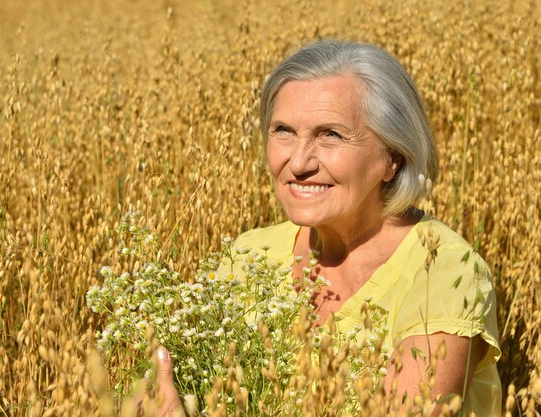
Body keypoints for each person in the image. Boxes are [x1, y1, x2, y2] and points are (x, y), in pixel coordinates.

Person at [152, 39, 501, 416]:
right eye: (283, 131)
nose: (298, 162)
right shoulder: (248, 257)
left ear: (392, 159)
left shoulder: (445, 274)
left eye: (330, 135)